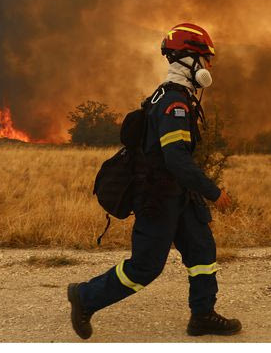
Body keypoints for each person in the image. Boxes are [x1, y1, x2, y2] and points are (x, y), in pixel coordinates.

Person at [67, 22, 241, 339]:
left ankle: (202, 315)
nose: (209, 66)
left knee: (202, 252)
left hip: (179, 195)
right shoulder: (173, 104)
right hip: (158, 198)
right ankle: (85, 297)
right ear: (189, 60)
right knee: (145, 268)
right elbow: (176, 158)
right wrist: (214, 192)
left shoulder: (176, 97)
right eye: (206, 58)